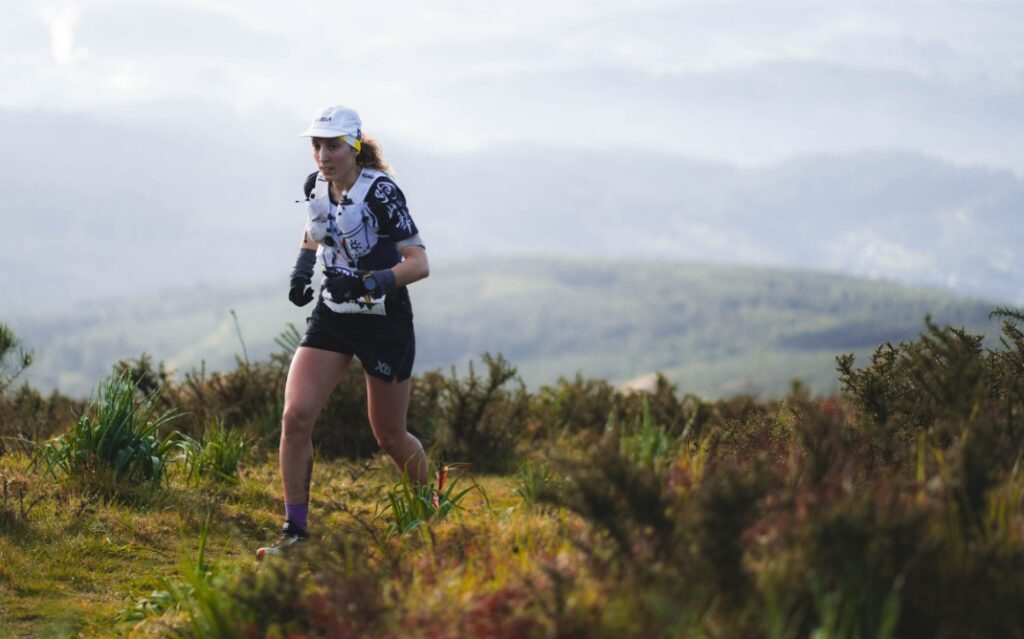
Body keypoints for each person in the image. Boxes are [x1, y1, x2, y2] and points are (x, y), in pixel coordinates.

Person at [257, 105, 430, 558]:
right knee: (295, 417)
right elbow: (316, 227)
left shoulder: (382, 193)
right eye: (316, 145)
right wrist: (302, 269)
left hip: (383, 321)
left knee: (389, 435)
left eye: (332, 145)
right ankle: (294, 533)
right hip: (333, 315)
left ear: (354, 146)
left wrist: (369, 282)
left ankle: (430, 513)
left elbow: (418, 264)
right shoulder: (316, 184)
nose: (323, 155)